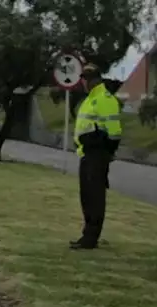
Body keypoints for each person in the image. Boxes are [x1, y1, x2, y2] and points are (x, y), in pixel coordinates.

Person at [71, 63, 122, 250]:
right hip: (87, 153)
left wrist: (106, 150)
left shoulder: (105, 99)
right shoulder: (91, 98)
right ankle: (86, 235)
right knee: (86, 196)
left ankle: (91, 238)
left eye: (84, 79)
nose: (83, 83)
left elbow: (115, 132)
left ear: (91, 80)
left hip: (97, 154)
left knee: (95, 197)